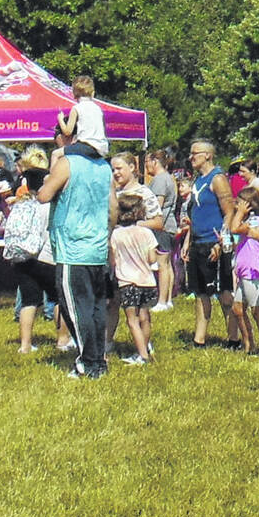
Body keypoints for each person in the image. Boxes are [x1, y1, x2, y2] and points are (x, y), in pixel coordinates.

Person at [38, 134, 117, 380]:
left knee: (74, 308)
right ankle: (98, 359)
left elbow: (44, 195)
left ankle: (89, 362)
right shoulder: (104, 167)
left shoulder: (67, 163)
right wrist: (106, 234)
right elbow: (113, 207)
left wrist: (52, 167)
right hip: (96, 247)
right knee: (95, 307)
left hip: (72, 248)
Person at [182, 139, 238, 349]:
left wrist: (220, 241)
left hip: (214, 242)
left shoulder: (218, 179)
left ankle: (233, 338)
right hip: (198, 241)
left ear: (208, 155)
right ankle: (199, 338)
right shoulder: (198, 180)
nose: (191, 157)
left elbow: (229, 212)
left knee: (224, 292)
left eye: (195, 153)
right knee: (200, 292)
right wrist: (189, 239)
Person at [107, 152, 164, 352]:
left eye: (119, 168)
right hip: (115, 254)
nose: (115, 173)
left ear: (132, 167)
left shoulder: (143, 193)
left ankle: (144, 344)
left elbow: (158, 221)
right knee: (111, 300)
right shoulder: (112, 193)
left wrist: (133, 225)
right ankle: (107, 341)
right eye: (113, 169)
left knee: (140, 310)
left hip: (135, 261)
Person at [3, 168, 58, 354]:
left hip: (22, 257)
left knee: (29, 301)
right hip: (44, 257)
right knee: (59, 299)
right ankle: (63, 340)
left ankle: (25, 345)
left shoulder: (19, 204)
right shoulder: (46, 205)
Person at [111, 194, 158, 365]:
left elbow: (113, 259)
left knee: (132, 320)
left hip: (127, 282)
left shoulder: (116, 235)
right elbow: (152, 258)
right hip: (148, 281)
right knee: (144, 317)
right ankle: (144, 349)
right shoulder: (146, 232)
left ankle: (142, 356)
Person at [229, 187, 259, 356]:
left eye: (240, 202)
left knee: (257, 311)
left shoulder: (255, 221)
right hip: (243, 271)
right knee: (238, 309)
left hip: (253, 271)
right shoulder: (246, 220)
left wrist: (239, 213)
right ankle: (249, 343)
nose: (236, 204)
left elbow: (235, 228)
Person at [146, 149, 178, 313]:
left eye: (147, 162)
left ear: (155, 162)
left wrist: (148, 222)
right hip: (170, 226)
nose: (146, 166)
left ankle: (162, 301)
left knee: (162, 264)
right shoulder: (168, 178)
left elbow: (155, 207)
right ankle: (168, 299)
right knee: (168, 264)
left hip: (163, 226)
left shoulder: (159, 180)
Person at [56, 75, 108, 159]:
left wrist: (60, 119)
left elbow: (67, 132)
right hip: (101, 148)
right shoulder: (98, 109)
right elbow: (103, 129)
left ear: (74, 93)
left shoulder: (77, 108)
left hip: (86, 146)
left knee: (55, 154)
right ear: (92, 93)